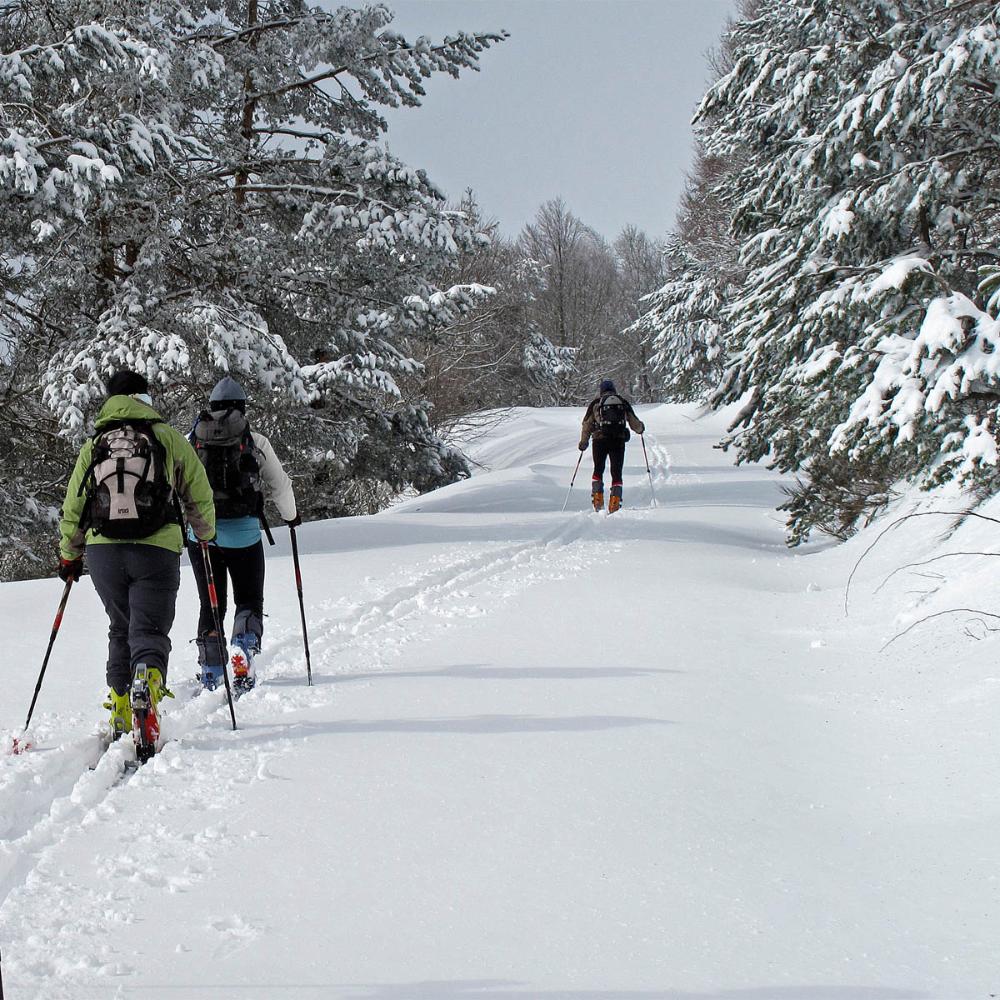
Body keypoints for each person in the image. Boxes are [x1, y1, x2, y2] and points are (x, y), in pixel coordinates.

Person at [58, 370, 216, 759]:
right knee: (149, 630)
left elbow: (74, 505)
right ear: (144, 396)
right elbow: (198, 489)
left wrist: (70, 553)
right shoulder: (166, 438)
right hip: (156, 548)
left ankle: (121, 705)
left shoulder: (95, 445)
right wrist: (205, 532)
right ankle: (147, 682)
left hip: (104, 552)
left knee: (120, 627)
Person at [187, 376, 299, 694]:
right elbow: (280, 484)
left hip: (202, 538)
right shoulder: (255, 441)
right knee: (249, 598)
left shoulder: (191, 439)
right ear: (242, 407)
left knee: (211, 603)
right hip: (245, 534)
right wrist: (291, 517)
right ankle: (243, 648)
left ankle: (210, 668)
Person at [578, 378, 645, 513]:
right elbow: (634, 423)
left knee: (598, 469)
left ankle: (597, 500)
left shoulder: (596, 404)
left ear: (601, 390)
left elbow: (587, 425)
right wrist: (640, 429)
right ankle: (615, 502)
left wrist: (583, 442)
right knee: (616, 472)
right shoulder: (622, 402)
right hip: (618, 441)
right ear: (614, 390)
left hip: (599, 441)